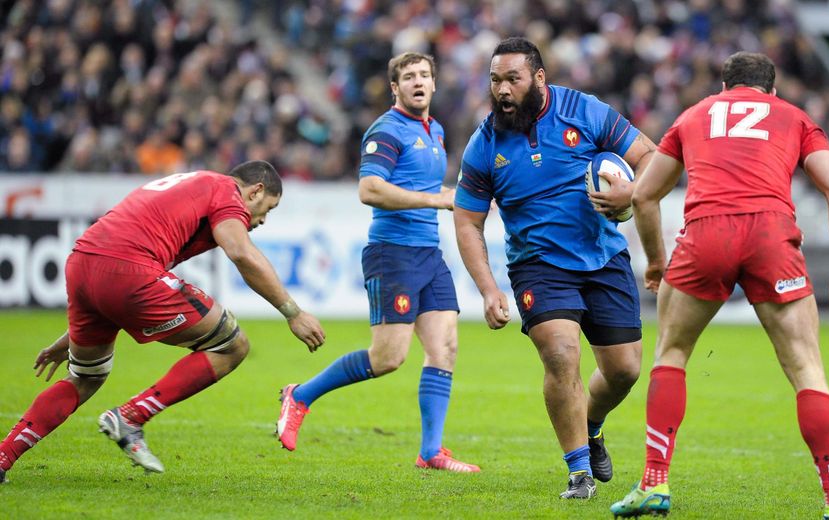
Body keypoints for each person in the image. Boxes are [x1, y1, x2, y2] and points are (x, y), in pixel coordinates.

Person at [607, 52, 829, 520]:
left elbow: (643, 195)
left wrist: (658, 264)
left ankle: (654, 483)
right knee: (807, 369)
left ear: (724, 88)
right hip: (771, 234)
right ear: (773, 90)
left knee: (673, 353)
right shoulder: (795, 116)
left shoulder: (693, 114)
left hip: (707, 232)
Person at [0, 160, 325, 483]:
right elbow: (240, 252)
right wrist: (293, 313)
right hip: (129, 268)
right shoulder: (226, 191)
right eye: (268, 208)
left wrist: (72, 336)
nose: (263, 220)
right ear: (255, 190)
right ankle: (130, 416)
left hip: (83, 264)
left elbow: (110, 270)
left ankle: (4, 456)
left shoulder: (192, 184)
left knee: (85, 377)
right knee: (232, 345)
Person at [453, 37, 658, 498]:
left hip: (603, 255)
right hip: (537, 264)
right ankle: (579, 472)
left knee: (624, 369)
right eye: (494, 80)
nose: (502, 90)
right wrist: (487, 288)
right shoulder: (484, 143)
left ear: (539, 78)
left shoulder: (584, 111)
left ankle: (591, 422)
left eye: (512, 79)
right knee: (561, 353)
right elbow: (467, 222)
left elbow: (651, 157)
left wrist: (632, 192)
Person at [275, 52, 480, 472]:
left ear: (434, 84)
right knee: (388, 358)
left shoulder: (435, 129)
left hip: (428, 253)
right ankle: (300, 396)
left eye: (425, 75)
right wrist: (436, 199)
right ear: (395, 88)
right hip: (394, 253)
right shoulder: (386, 130)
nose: (418, 82)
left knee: (445, 347)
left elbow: (422, 184)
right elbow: (369, 189)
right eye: (409, 77)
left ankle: (430, 452)